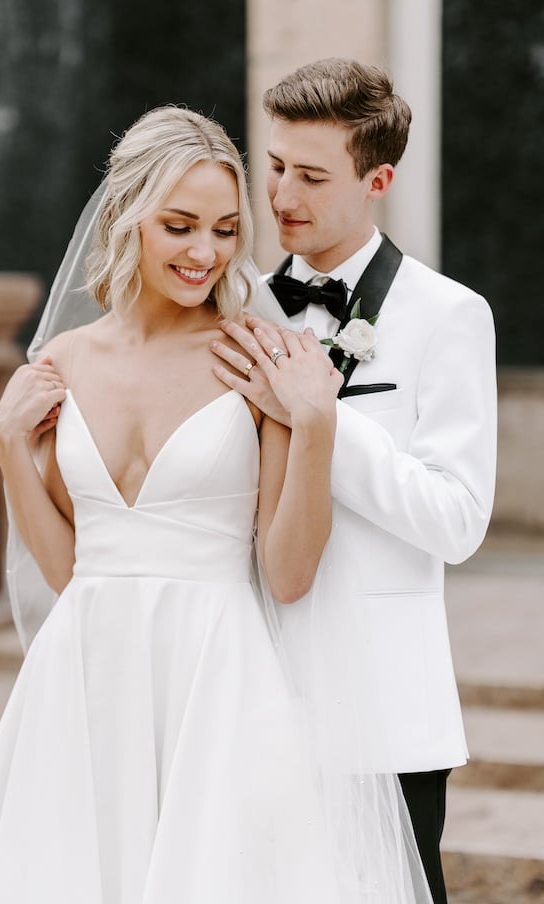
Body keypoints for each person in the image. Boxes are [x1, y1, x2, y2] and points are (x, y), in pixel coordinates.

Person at [0, 104, 432, 904]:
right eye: (180, 226)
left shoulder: (256, 356)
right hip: (82, 681)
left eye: (228, 230)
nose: (207, 253)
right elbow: (71, 570)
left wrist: (313, 422)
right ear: (129, 215)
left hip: (218, 678)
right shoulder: (62, 361)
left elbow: (291, 572)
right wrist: (7, 447)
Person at [211, 58, 497, 904]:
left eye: (311, 174)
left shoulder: (450, 316)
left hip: (384, 715)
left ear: (378, 179)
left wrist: (322, 418)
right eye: (274, 166)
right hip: (255, 701)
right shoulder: (236, 309)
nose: (281, 194)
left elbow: (458, 521)